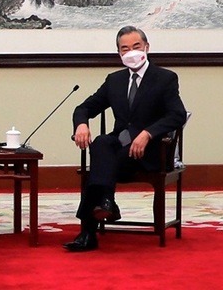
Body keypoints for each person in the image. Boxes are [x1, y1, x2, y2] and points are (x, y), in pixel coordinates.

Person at [64, 26, 187, 252]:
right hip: (120, 147)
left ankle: (89, 231)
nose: (131, 52)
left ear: (147, 47)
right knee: (101, 142)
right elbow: (84, 108)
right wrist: (81, 124)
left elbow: (177, 115)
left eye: (136, 46)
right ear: (119, 53)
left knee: (101, 165)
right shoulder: (115, 80)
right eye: (125, 48)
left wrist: (148, 133)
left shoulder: (165, 78)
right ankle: (106, 202)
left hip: (150, 151)